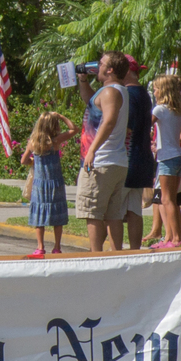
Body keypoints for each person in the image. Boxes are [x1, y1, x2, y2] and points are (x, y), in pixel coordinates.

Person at [78, 53, 132, 252]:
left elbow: (108, 121)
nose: (96, 66)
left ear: (110, 70)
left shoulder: (110, 92)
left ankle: (95, 256)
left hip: (102, 161)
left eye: (101, 63)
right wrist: (82, 79)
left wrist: (92, 150)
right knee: (113, 214)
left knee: (93, 212)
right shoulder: (113, 91)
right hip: (115, 160)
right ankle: (116, 254)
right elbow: (91, 102)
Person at [23, 110, 73, 258]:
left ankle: (40, 246)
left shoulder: (33, 143)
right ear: (54, 125)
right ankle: (57, 246)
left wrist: (33, 161)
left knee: (39, 214)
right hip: (55, 182)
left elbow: (23, 160)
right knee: (57, 214)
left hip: (39, 184)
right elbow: (74, 129)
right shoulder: (56, 141)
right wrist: (62, 116)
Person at [148, 74, 181, 250]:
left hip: (167, 157)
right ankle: (171, 237)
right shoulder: (179, 110)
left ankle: (175, 238)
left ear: (163, 90)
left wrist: (155, 144)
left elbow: (145, 127)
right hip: (179, 155)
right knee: (172, 199)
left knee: (166, 200)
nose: (154, 91)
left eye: (156, 88)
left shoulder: (159, 110)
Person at [122, 55, 156, 248]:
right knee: (135, 209)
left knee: (115, 210)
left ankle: (115, 251)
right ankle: (134, 250)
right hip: (143, 156)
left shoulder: (127, 94)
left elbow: (127, 128)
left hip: (128, 157)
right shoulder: (144, 93)